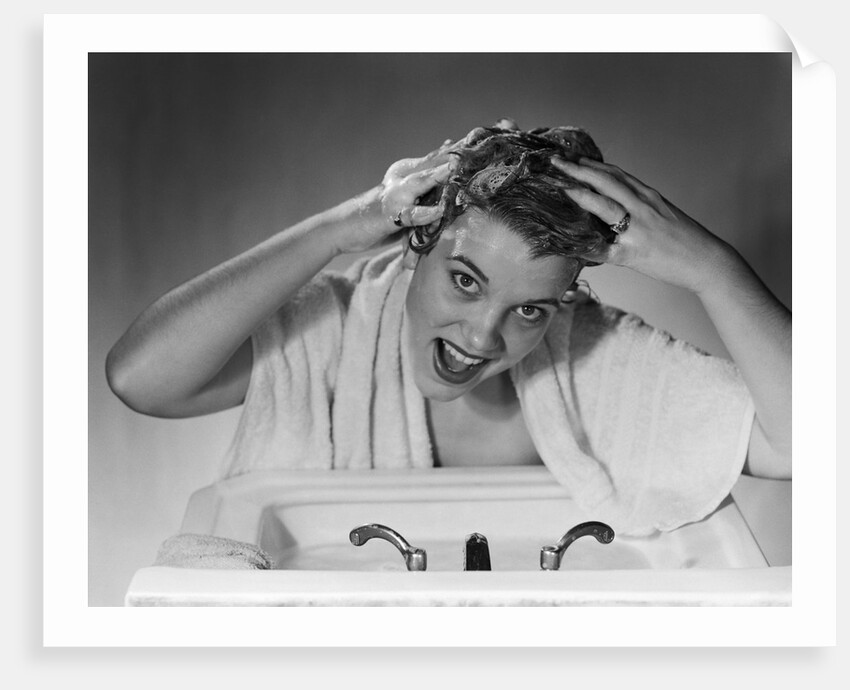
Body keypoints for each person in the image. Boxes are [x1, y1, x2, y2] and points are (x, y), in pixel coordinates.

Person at [106, 119, 791, 536]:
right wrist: (338, 229)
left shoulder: (595, 358)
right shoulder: (333, 328)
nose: (483, 338)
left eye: (530, 310)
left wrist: (713, 268)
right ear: (416, 246)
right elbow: (142, 378)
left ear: (566, 302)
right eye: (466, 281)